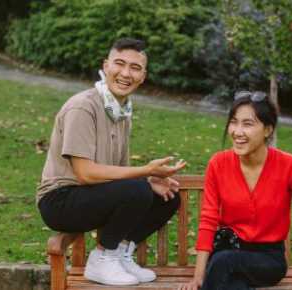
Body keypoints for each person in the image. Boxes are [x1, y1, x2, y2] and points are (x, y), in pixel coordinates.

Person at [37, 38, 186, 286]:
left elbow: (119, 173)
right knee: (137, 189)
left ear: (143, 76)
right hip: (60, 200)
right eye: (119, 64)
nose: (126, 73)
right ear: (106, 66)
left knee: (167, 196)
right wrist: (145, 172)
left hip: (92, 194)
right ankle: (102, 259)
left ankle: (118, 254)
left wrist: (149, 179)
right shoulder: (83, 107)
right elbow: (84, 173)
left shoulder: (121, 112)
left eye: (135, 68)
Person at [179, 91, 292, 290]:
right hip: (227, 250)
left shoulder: (291, 166)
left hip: (268, 260)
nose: (237, 132)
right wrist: (197, 278)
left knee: (223, 262)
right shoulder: (218, 164)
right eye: (234, 122)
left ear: (267, 130)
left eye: (247, 124)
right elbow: (208, 219)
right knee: (233, 283)